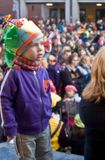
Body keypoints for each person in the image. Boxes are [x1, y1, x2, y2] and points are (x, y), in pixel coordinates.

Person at [0, 15, 52, 159]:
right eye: (35, 45)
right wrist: (9, 126)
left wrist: (48, 110)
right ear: (21, 49)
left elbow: (47, 92)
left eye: (42, 44)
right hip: (24, 132)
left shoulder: (43, 71)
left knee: (46, 155)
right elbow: (5, 100)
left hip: (44, 127)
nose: (41, 49)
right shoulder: (14, 74)